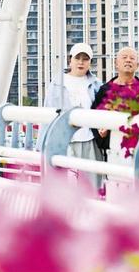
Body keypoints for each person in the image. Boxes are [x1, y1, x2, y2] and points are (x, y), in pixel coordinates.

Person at [44, 43, 104, 191]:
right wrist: (43, 144)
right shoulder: (57, 83)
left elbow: (102, 110)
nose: (81, 62)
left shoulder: (96, 84)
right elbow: (47, 114)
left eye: (85, 59)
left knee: (91, 187)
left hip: (89, 139)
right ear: (70, 60)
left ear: (90, 62)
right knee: (65, 188)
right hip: (65, 142)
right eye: (77, 58)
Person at [92, 47, 139, 155]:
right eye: (124, 57)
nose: (128, 60)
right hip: (113, 149)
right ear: (116, 64)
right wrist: (102, 131)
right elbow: (95, 116)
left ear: (137, 65)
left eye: (132, 58)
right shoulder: (105, 90)